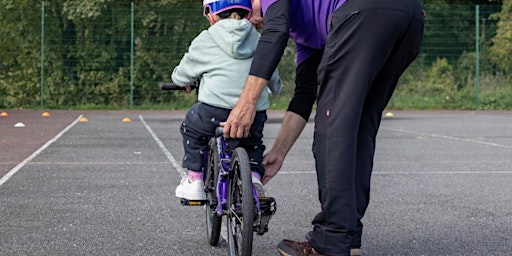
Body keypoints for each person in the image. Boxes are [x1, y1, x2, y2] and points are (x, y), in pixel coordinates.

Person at [221, 0, 425, 255]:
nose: (250, 19)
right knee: (360, 128)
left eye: (247, 11)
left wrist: (246, 103)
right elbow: (305, 95)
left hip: (363, 13)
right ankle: (348, 239)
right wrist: (279, 151)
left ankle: (331, 241)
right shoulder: (310, 35)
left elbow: (275, 32)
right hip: (409, 15)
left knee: (332, 134)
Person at [172, 0, 281, 201]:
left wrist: (180, 80)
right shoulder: (258, 38)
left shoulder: (206, 38)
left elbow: (183, 73)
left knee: (191, 126)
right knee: (253, 143)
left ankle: (195, 179)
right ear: (248, 13)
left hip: (215, 111)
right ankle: (255, 179)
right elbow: (269, 69)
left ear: (211, 14)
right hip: (254, 113)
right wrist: (276, 88)